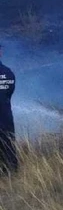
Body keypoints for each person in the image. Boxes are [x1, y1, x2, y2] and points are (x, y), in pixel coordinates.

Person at [0, 43, 17, 175]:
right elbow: (9, 93)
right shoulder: (8, 72)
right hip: (6, 117)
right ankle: (11, 174)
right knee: (8, 146)